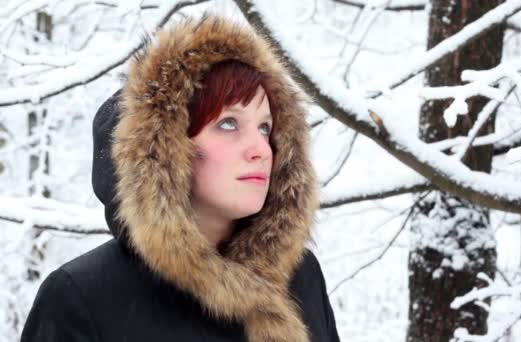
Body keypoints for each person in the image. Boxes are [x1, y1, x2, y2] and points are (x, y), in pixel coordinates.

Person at [20, 14, 341, 342]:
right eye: (229, 124)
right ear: (167, 149)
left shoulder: (301, 278)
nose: (261, 149)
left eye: (265, 127)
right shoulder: (81, 298)